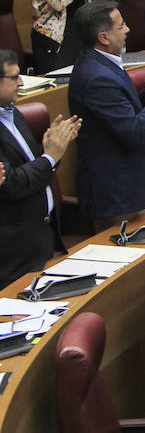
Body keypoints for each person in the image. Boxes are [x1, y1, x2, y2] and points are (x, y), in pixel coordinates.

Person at [67, 0, 145, 231]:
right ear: (103, 37)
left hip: (130, 189)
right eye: (121, 26)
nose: (128, 29)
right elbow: (134, 132)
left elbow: (122, 113)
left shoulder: (102, 64)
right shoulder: (96, 77)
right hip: (117, 196)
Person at [0, 48, 80, 287]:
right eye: (14, 78)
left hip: (41, 238)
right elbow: (11, 184)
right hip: (14, 253)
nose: (21, 82)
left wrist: (53, 149)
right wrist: (50, 157)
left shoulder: (14, 115)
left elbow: (40, 163)